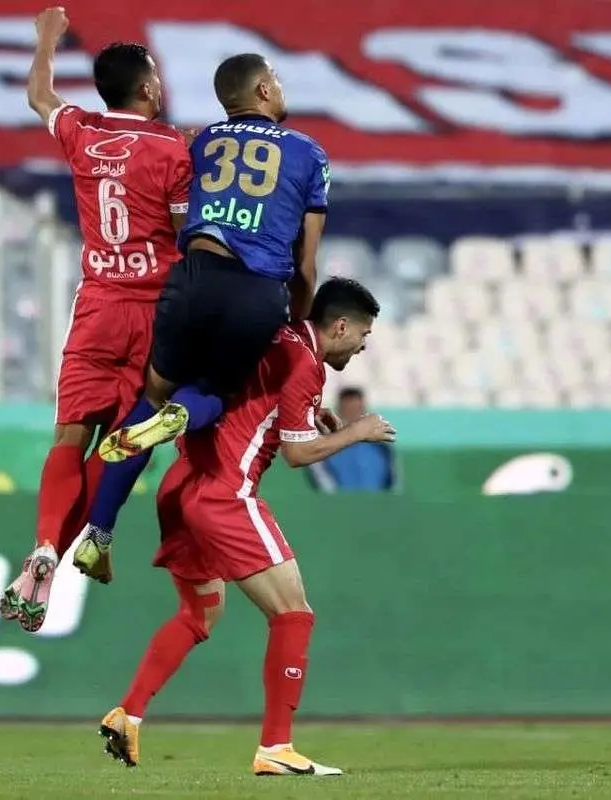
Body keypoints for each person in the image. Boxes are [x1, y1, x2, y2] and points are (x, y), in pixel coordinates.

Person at [97, 278, 394, 775]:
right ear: (341, 326)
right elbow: (298, 453)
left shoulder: (277, 336)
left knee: (199, 615)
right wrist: (357, 432)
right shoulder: (306, 363)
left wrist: (306, 410)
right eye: (363, 334)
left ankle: (128, 714)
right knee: (293, 614)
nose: (363, 345)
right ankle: (276, 747)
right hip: (226, 493)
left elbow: (259, 395)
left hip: (182, 485)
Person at [74, 52, 332, 581]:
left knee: (149, 398)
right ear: (263, 90)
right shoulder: (309, 153)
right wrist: (295, 330)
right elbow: (306, 266)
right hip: (257, 290)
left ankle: (98, 534)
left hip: (192, 277)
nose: (281, 87)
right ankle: (183, 415)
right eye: (276, 79)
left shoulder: (198, 142)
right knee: (217, 389)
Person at [0, 7, 193, 632]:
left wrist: (46, 40)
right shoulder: (173, 148)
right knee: (120, 445)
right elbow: (188, 234)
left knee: (68, 439)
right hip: (154, 313)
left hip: (98, 307)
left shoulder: (80, 131)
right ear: (147, 87)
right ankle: (67, 552)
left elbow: (39, 95)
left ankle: (43, 547)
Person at [309, 387, 398, 492]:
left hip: (377, 502)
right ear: (339, 410)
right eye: (349, 410)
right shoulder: (325, 446)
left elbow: (393, 484)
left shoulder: (383, 449)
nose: (353, 415)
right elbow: (323, 483)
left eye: (357, 409)